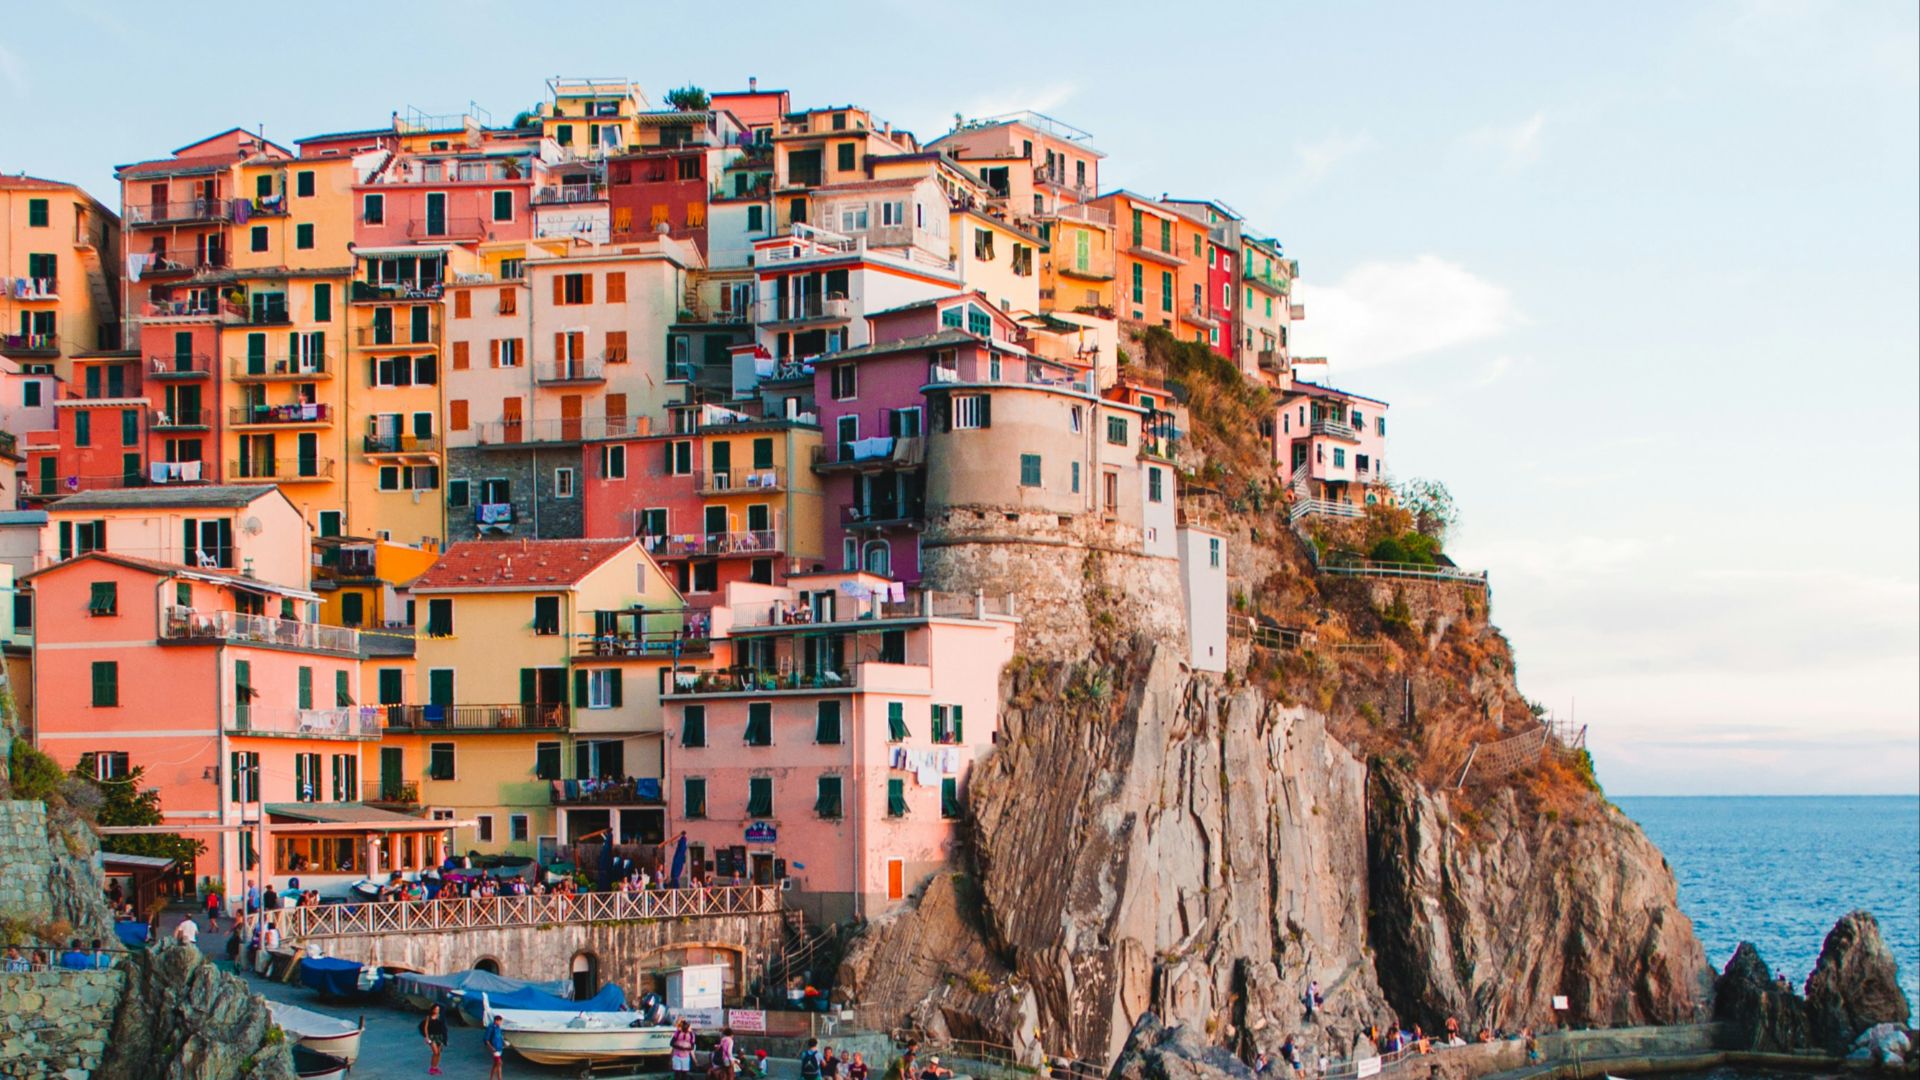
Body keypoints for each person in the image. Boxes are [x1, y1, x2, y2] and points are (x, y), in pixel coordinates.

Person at [421, 1004, 450, 1075]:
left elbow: (444, 1028)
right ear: (433, 1009)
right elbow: (425, 1028)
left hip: (439, 1036)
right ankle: (432, 1068)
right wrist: (426, 1037)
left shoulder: (441, 1017)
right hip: (432, 1037)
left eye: (438, 1009)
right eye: (436, 1009)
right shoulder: (429, 1017)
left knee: (438, 1053)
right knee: (435, 1052)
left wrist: (445, 1038)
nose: (437, 1010)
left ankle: (435, 1067)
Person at [485, 1014, 507, 1080]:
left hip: (499, 1048)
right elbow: (486, 1039)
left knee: (496, 1065)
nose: (501, 1023)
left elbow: (500, 1036)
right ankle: (500, 1079)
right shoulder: (490, 1028)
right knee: (500, 1063)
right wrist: (491, 1048)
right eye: (500, 1021)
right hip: (494, 1049)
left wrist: (504, 1043)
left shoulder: (498, 1027)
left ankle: (491, 1078)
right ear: (496, 1021)